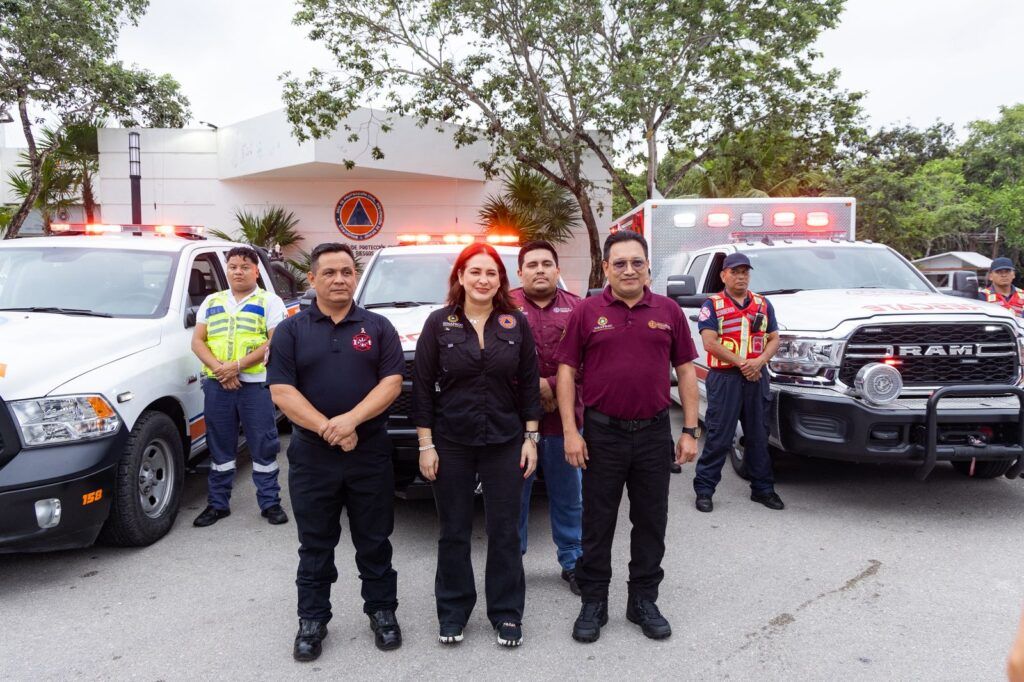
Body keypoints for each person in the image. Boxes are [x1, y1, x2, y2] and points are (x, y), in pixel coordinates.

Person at [554, 230, 700, 644]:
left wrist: (690, 430)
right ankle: (594, 602)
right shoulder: (586, 312)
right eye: (619, 263)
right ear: (606, 268)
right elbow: (566, 371)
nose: (629, 270)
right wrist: (571, 432)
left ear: (648, 266)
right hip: (602, 435)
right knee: (596, 524)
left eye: (637, 262)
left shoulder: (669, 311)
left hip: (653, 434)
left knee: (651, 521)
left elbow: (686, 369)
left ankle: (643, 601)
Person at [267, 243, 404, 661]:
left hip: (369, 452)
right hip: (313, 456)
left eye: (347, 271)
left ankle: (382, 612)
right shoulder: (291, 330)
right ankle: (312, 620)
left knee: (375, 540)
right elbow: (282, 391)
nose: (339, 279)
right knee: (315, 543)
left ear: (355, 276)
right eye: (329, 272)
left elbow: (391, 384)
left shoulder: (379, 327)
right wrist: (329, 429)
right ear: (312, 279)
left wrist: (350, 422)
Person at [412, 242, 541, 648]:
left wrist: (531, 438)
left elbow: (529, 385)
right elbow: (422, 388)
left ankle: (507, 613)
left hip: (505, 439)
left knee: (505, 530)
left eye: (491, 273)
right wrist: (426, 445)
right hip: (451, 440)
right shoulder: (439, 323)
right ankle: (453, 611)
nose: (483, 280)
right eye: (475, 272)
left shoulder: (515, 324)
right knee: (453, 530)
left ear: (501, 280)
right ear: (460, 277)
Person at [190, 245, 288, 527]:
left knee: (263, 444)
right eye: (233, 267)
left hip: (255, 386)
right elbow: (197, 341)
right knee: (219, 445)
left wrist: (237, 366)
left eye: (245, 267)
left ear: (256, 271)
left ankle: (270, 503)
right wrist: (221, 370)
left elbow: (275, 341)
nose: (238, 271)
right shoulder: (212, 301)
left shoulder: (270, 301)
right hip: (218, 383)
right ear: (226, 270)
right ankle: (217, 504)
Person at [510, 240, 584, 595]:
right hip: (514, 425)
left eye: (546, 264)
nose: (539, 270)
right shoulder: (502, 308)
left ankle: (573, 561)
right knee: (513, 498)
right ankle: (511, 563)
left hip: (563, 423)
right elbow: (491, 361)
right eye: (532, 264)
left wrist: (553, 386)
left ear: (557, 270)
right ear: (520, 272)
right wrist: (537, 388)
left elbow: (592, 361)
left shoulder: (579, 309)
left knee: (569, 496)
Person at [692, 252, 784, 513]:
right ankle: (704, 490)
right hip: (726, 379)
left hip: (757, 378)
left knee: (758, 436)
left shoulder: (763, 304)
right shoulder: (712, 305)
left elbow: (774, 338)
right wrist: (744, 364)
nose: (741, 276)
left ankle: (763, 489)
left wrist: (760, 362)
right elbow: (710, 342)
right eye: (735, 272)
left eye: (745, 272)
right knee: (719, 437)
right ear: (724, 276)